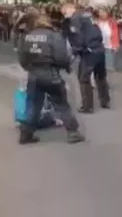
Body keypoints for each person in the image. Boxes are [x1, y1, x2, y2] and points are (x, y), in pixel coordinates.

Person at [17, 15, 85, 144]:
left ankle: (26, 134)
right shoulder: (53, 35)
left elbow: (22, 57)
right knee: (61, 104)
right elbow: (61, 57)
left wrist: (29, 68)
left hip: (34, 74)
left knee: (33, 105)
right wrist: (65, 67)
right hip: (51, 74)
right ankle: (73, 133)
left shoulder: (27, 36)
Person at [61, 3, 110, 113]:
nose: (65, 16)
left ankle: (87, 106)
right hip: (99, 48)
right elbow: (98, 31)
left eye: (64, 13)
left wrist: (76, 51)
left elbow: (77, 36)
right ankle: (105, 100)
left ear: (70, 9)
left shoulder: (75, 19)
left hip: (88, 52)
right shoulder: (88, 15)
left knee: (84, 78)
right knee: (101, 76)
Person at [95, 7, 120, 72]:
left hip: (110, 41)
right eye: (100, 13)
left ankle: (110, 67)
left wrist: (115, 44)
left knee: (110, 54)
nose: (101, 14)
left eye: (103, 12)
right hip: (100, 41)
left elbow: (115, 33)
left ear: (106, 13)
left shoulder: (112, 21)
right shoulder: (97, 21)